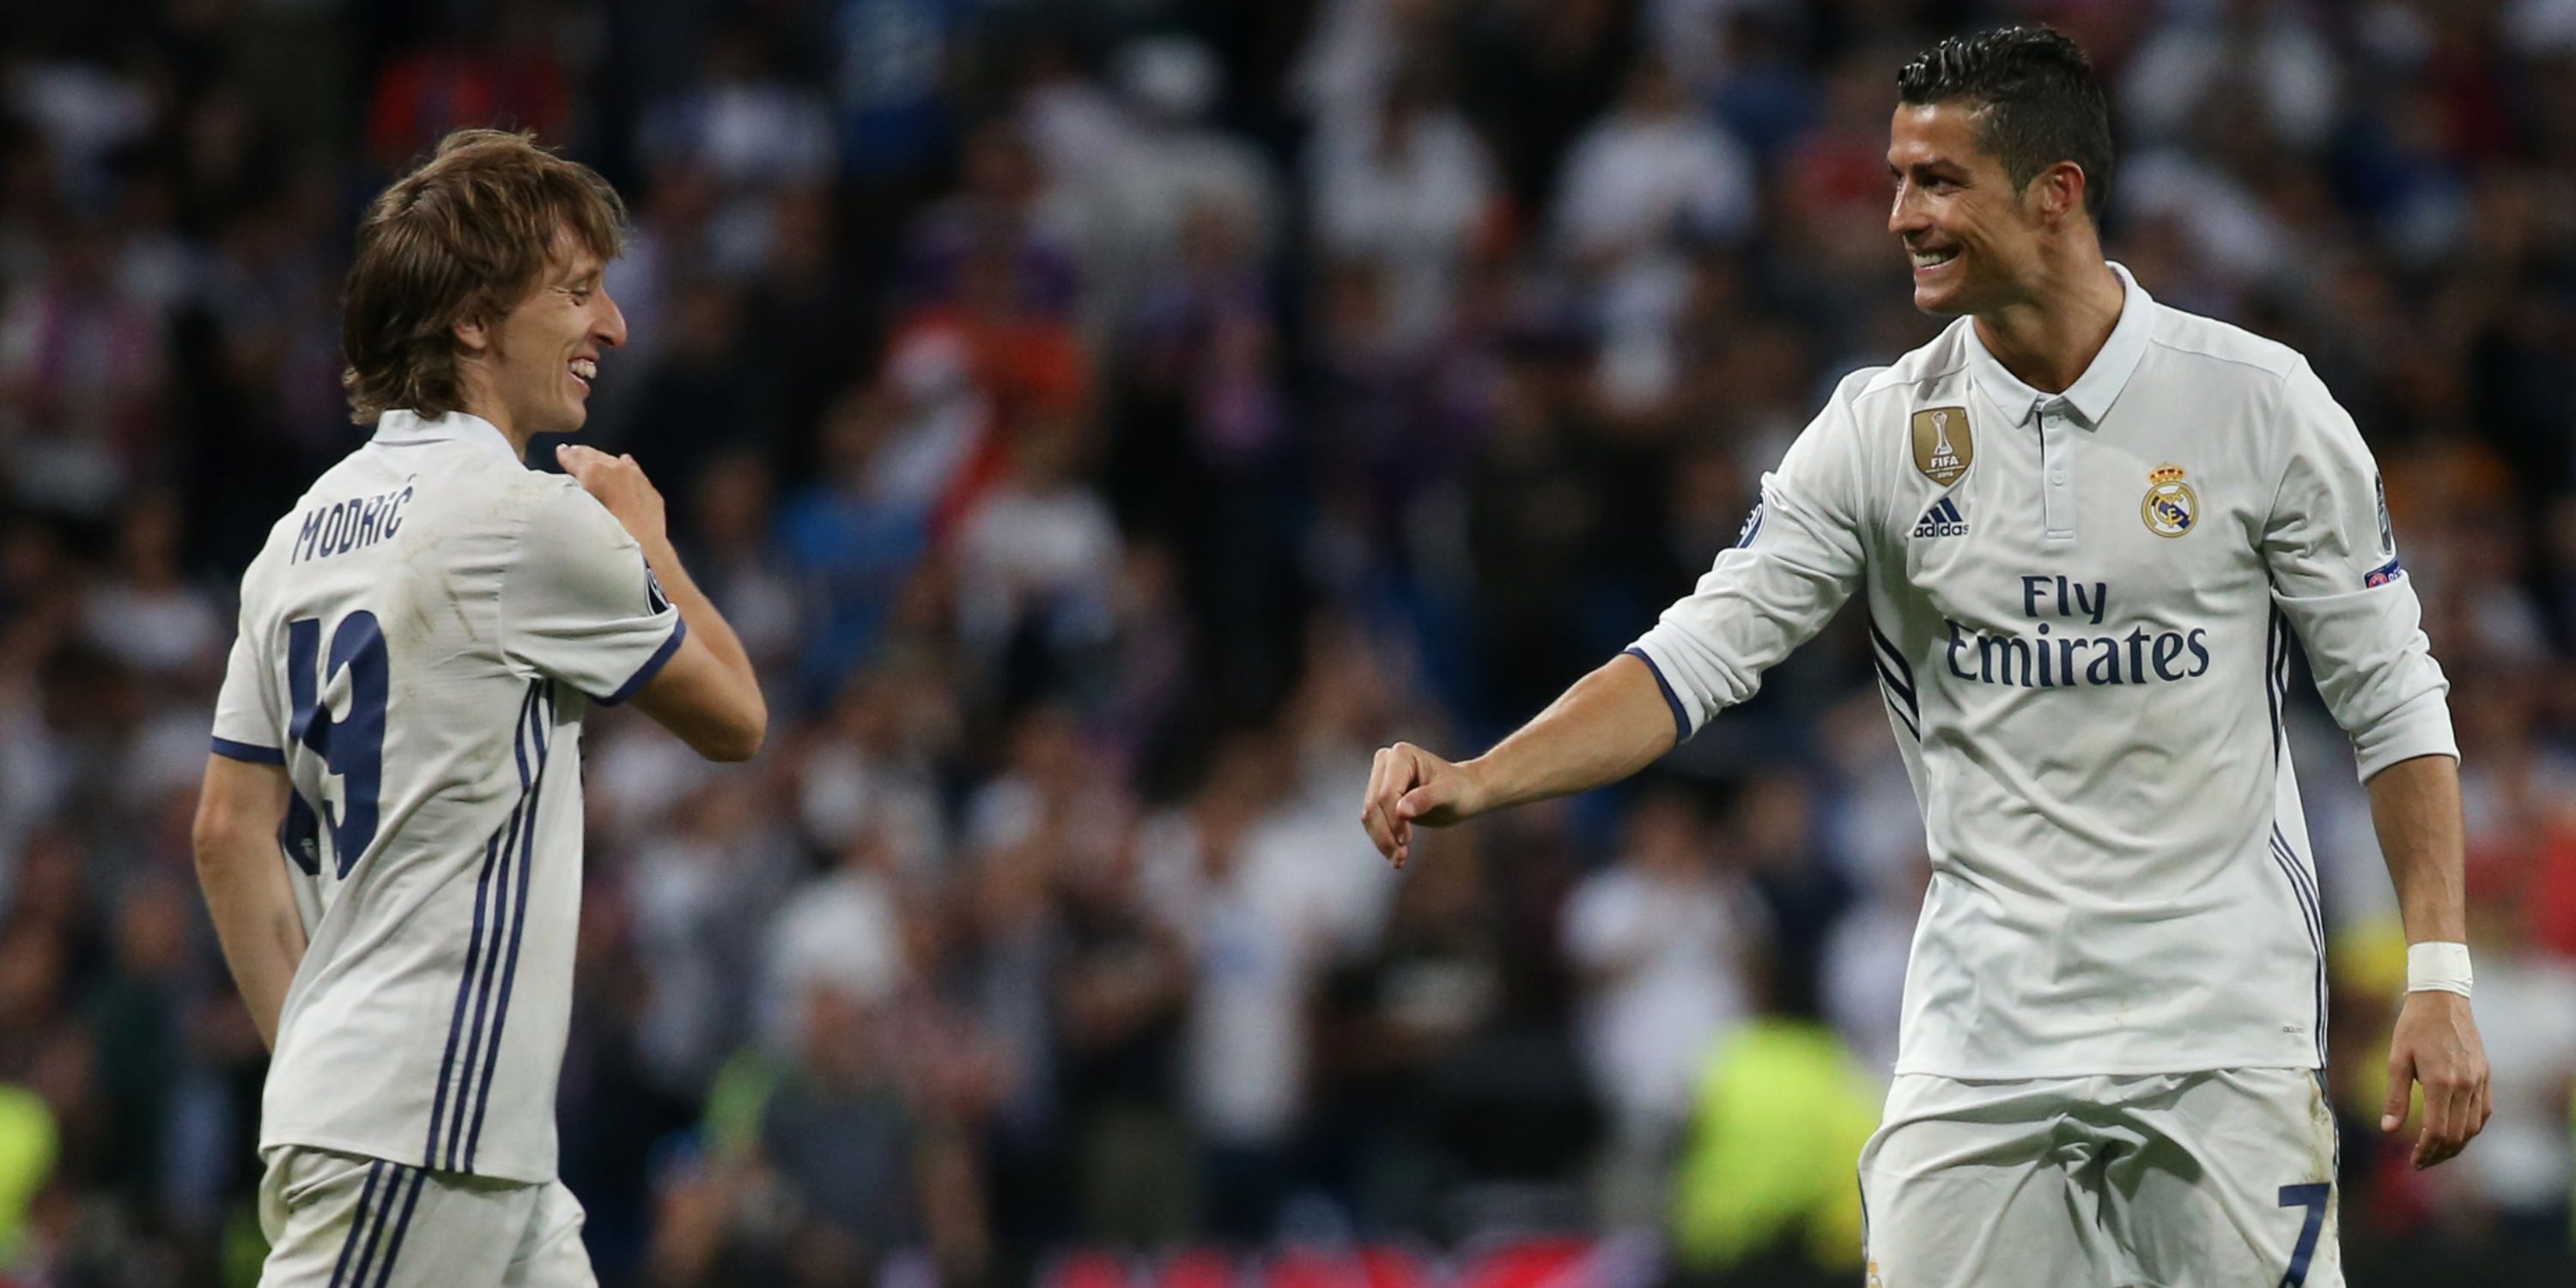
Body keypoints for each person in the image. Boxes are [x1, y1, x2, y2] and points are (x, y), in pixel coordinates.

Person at [1358, 27, 2490, 1288]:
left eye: (1937, 181)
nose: (1899, 215)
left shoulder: (2258, 406)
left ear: (2055, 192)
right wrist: (1479, 774)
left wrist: (2438, 975)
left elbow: (2393, 700)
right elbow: (1690, 660)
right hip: (1983, 1036)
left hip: (2220, 1025)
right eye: (1897, 178)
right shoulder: (1881, 432)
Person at [191, 129, 766, 1287]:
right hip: (420, 1130)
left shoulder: (296, 535)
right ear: (471, 318)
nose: (612, 327)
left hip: (465, 1140)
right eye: (578, 294)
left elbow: (225, 832)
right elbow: (737, 718)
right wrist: (647, 539)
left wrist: (317, 1060)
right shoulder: (519, 518)